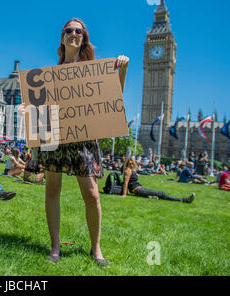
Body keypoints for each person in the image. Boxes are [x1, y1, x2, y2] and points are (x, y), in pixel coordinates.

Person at [19, 18, 130, 266]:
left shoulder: (94, 70)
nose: (74, 33)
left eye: (79, 31)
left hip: (83, 137)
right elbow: (39, 111)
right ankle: (55, 248)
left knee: (92, 193)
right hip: (53, 136)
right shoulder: (49, 75)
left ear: (83, 38)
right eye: (69, 30)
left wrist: (121, 69)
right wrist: (26, 109)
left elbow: (114, 99)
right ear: (62, 37)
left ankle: (96, 249)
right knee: (52, 189)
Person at [121, 158, 195, 203]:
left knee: (159, 195)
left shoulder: (131, 170)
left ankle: (151, 197)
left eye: (132, 163)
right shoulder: (128, 170)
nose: (131, 165)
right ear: (127, 164)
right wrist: (124, 194)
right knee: (161, 194)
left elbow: (131, 181)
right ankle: (184, 200)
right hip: (138, 190)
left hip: (140, 189)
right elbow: (126, 182)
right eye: (129, 164)